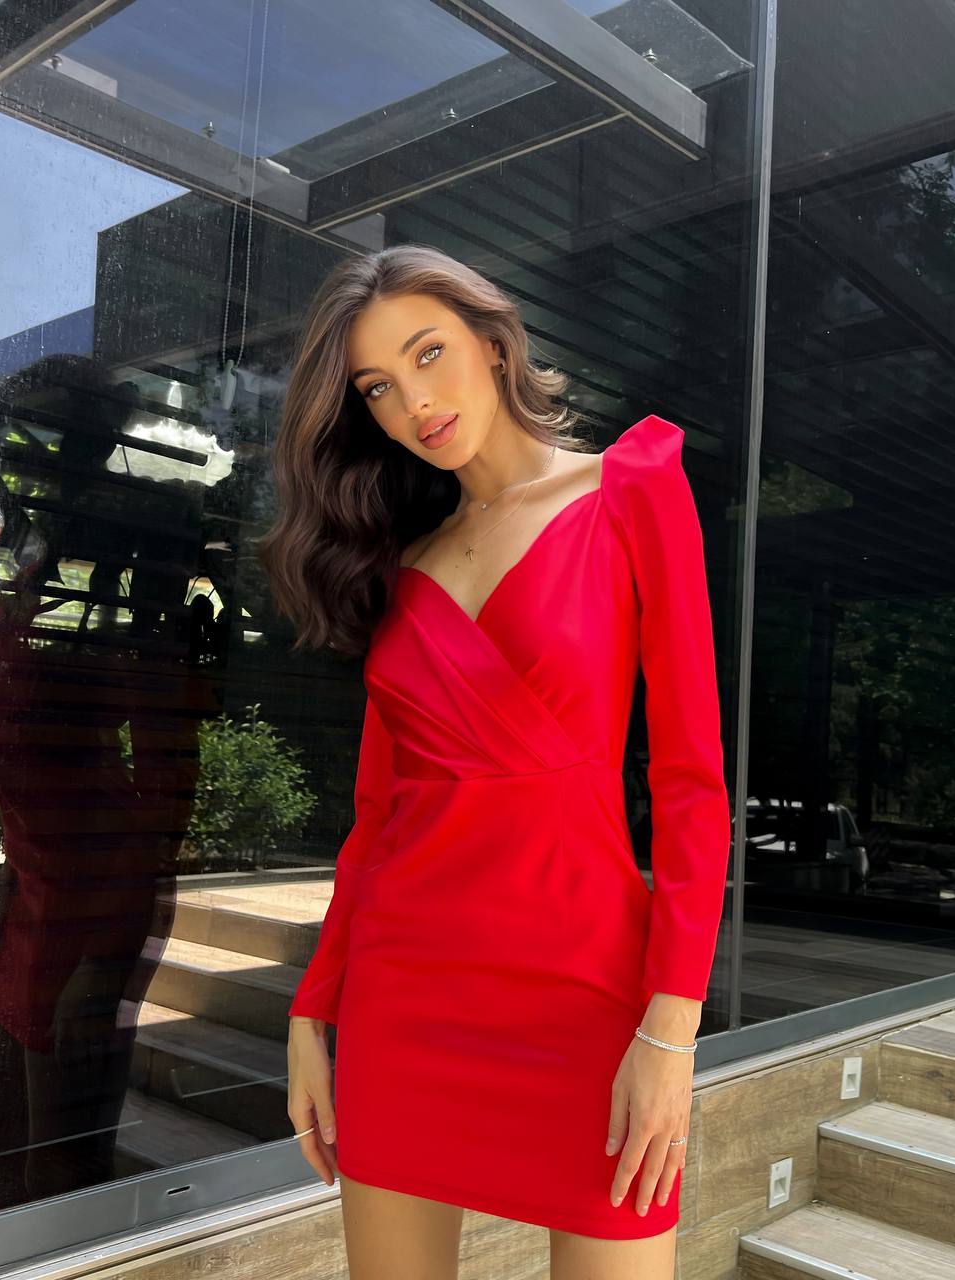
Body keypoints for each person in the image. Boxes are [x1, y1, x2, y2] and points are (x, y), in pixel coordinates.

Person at [259, 244, 730, 1279]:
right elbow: (377, 819)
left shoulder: (631, 491)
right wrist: (312, 1008)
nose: (413, 402)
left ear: (492, 337)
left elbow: (693, 787)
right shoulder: (401, 569)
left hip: (590, 997)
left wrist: (671, 1029)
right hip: (404, 1001)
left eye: (429, 354)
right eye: (379, 387)